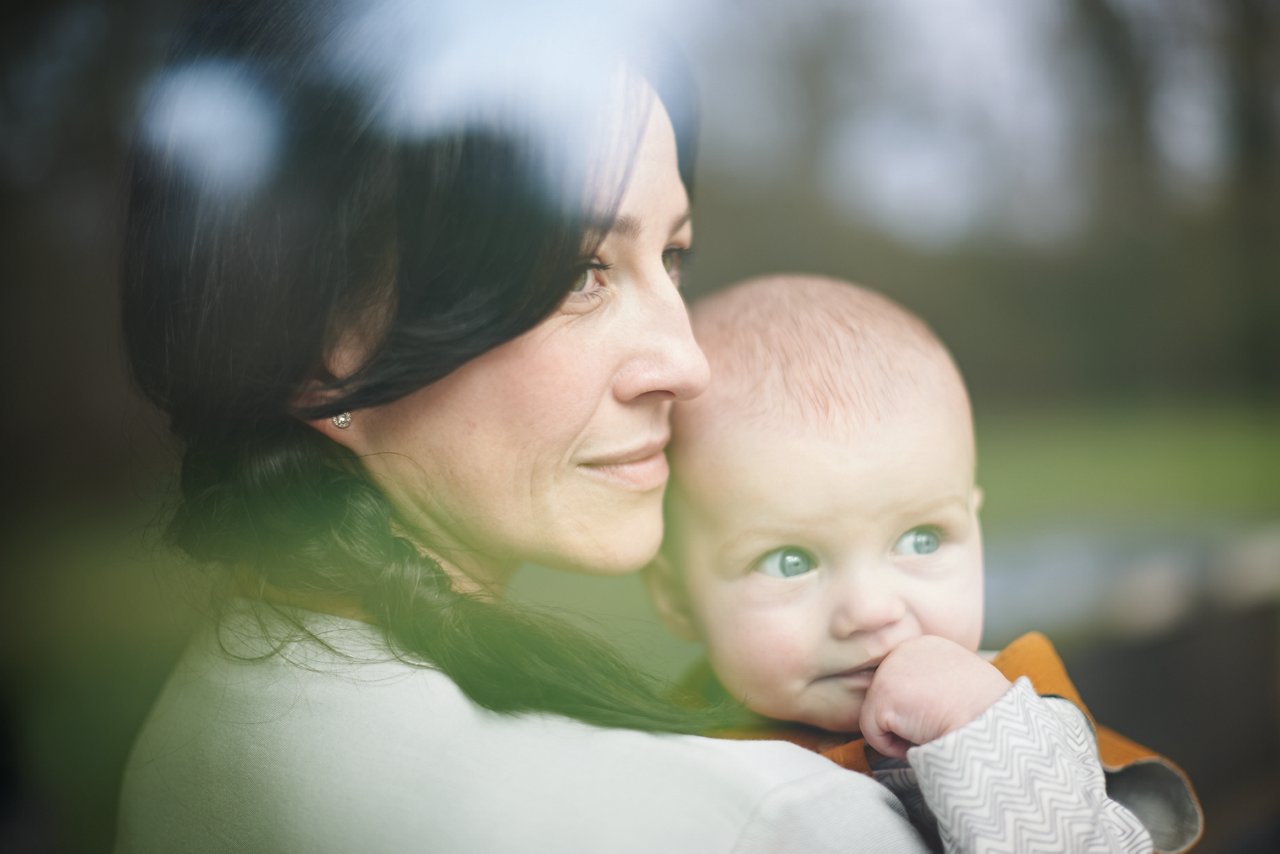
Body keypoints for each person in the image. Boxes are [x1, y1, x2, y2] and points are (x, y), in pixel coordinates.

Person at [117, 2, 1156, 851]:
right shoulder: (771, 820)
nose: (683, 358)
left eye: (674, 257)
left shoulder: (201, 719)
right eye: (583, 272)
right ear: (326, 342)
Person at [646, 274, 1202, 852]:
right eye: (789, 560)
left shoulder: (1013, 717)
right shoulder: (662, 753)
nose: (870, 611)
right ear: (679, 596)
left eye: (921, 540)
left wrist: (982, 737)